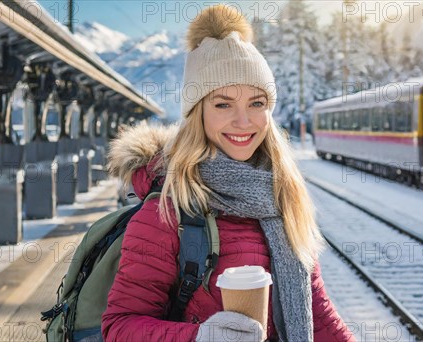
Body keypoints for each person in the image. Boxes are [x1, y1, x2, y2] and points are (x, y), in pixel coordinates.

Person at [102, 4, 355, 342]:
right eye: (223, 104)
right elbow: (120, 326)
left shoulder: (281, 197)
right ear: (198, 113)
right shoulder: (167, 208)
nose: (243, 121)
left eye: (257, 103)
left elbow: (317, 314)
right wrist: (201, 337)